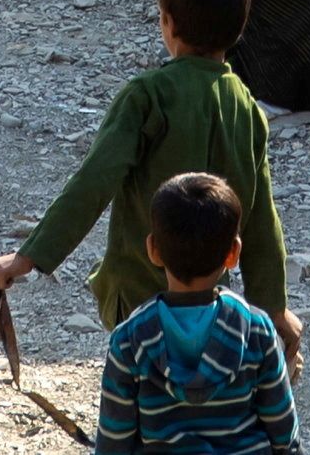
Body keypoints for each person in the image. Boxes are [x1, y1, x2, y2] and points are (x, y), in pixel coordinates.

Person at [0, 0, 293, 350]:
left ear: (167, 22)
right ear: (240, 26)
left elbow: (94, 180)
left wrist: (28, 258)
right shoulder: (247, 109)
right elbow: (262, 220)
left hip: (137, 295)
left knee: (139, 379)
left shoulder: (148, 96)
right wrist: (273, 308)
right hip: (208, 301)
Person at [85, 171, 297, 455]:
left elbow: (113, 444)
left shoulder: (129, 340)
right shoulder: (256, 330)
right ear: (233, 253)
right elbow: (284, 435)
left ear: (153, 249)